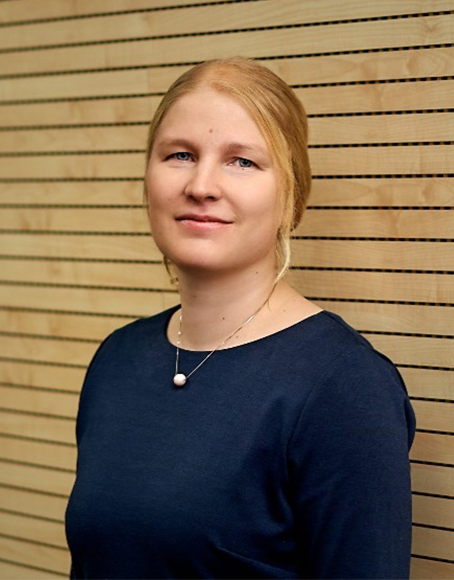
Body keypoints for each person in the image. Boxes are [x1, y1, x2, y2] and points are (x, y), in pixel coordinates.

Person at [65, 57, 416, 579]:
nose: (201, 185)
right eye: (181, 155)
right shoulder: (119, 358)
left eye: (242, 162)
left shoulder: (343, 385)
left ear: (291, 193)